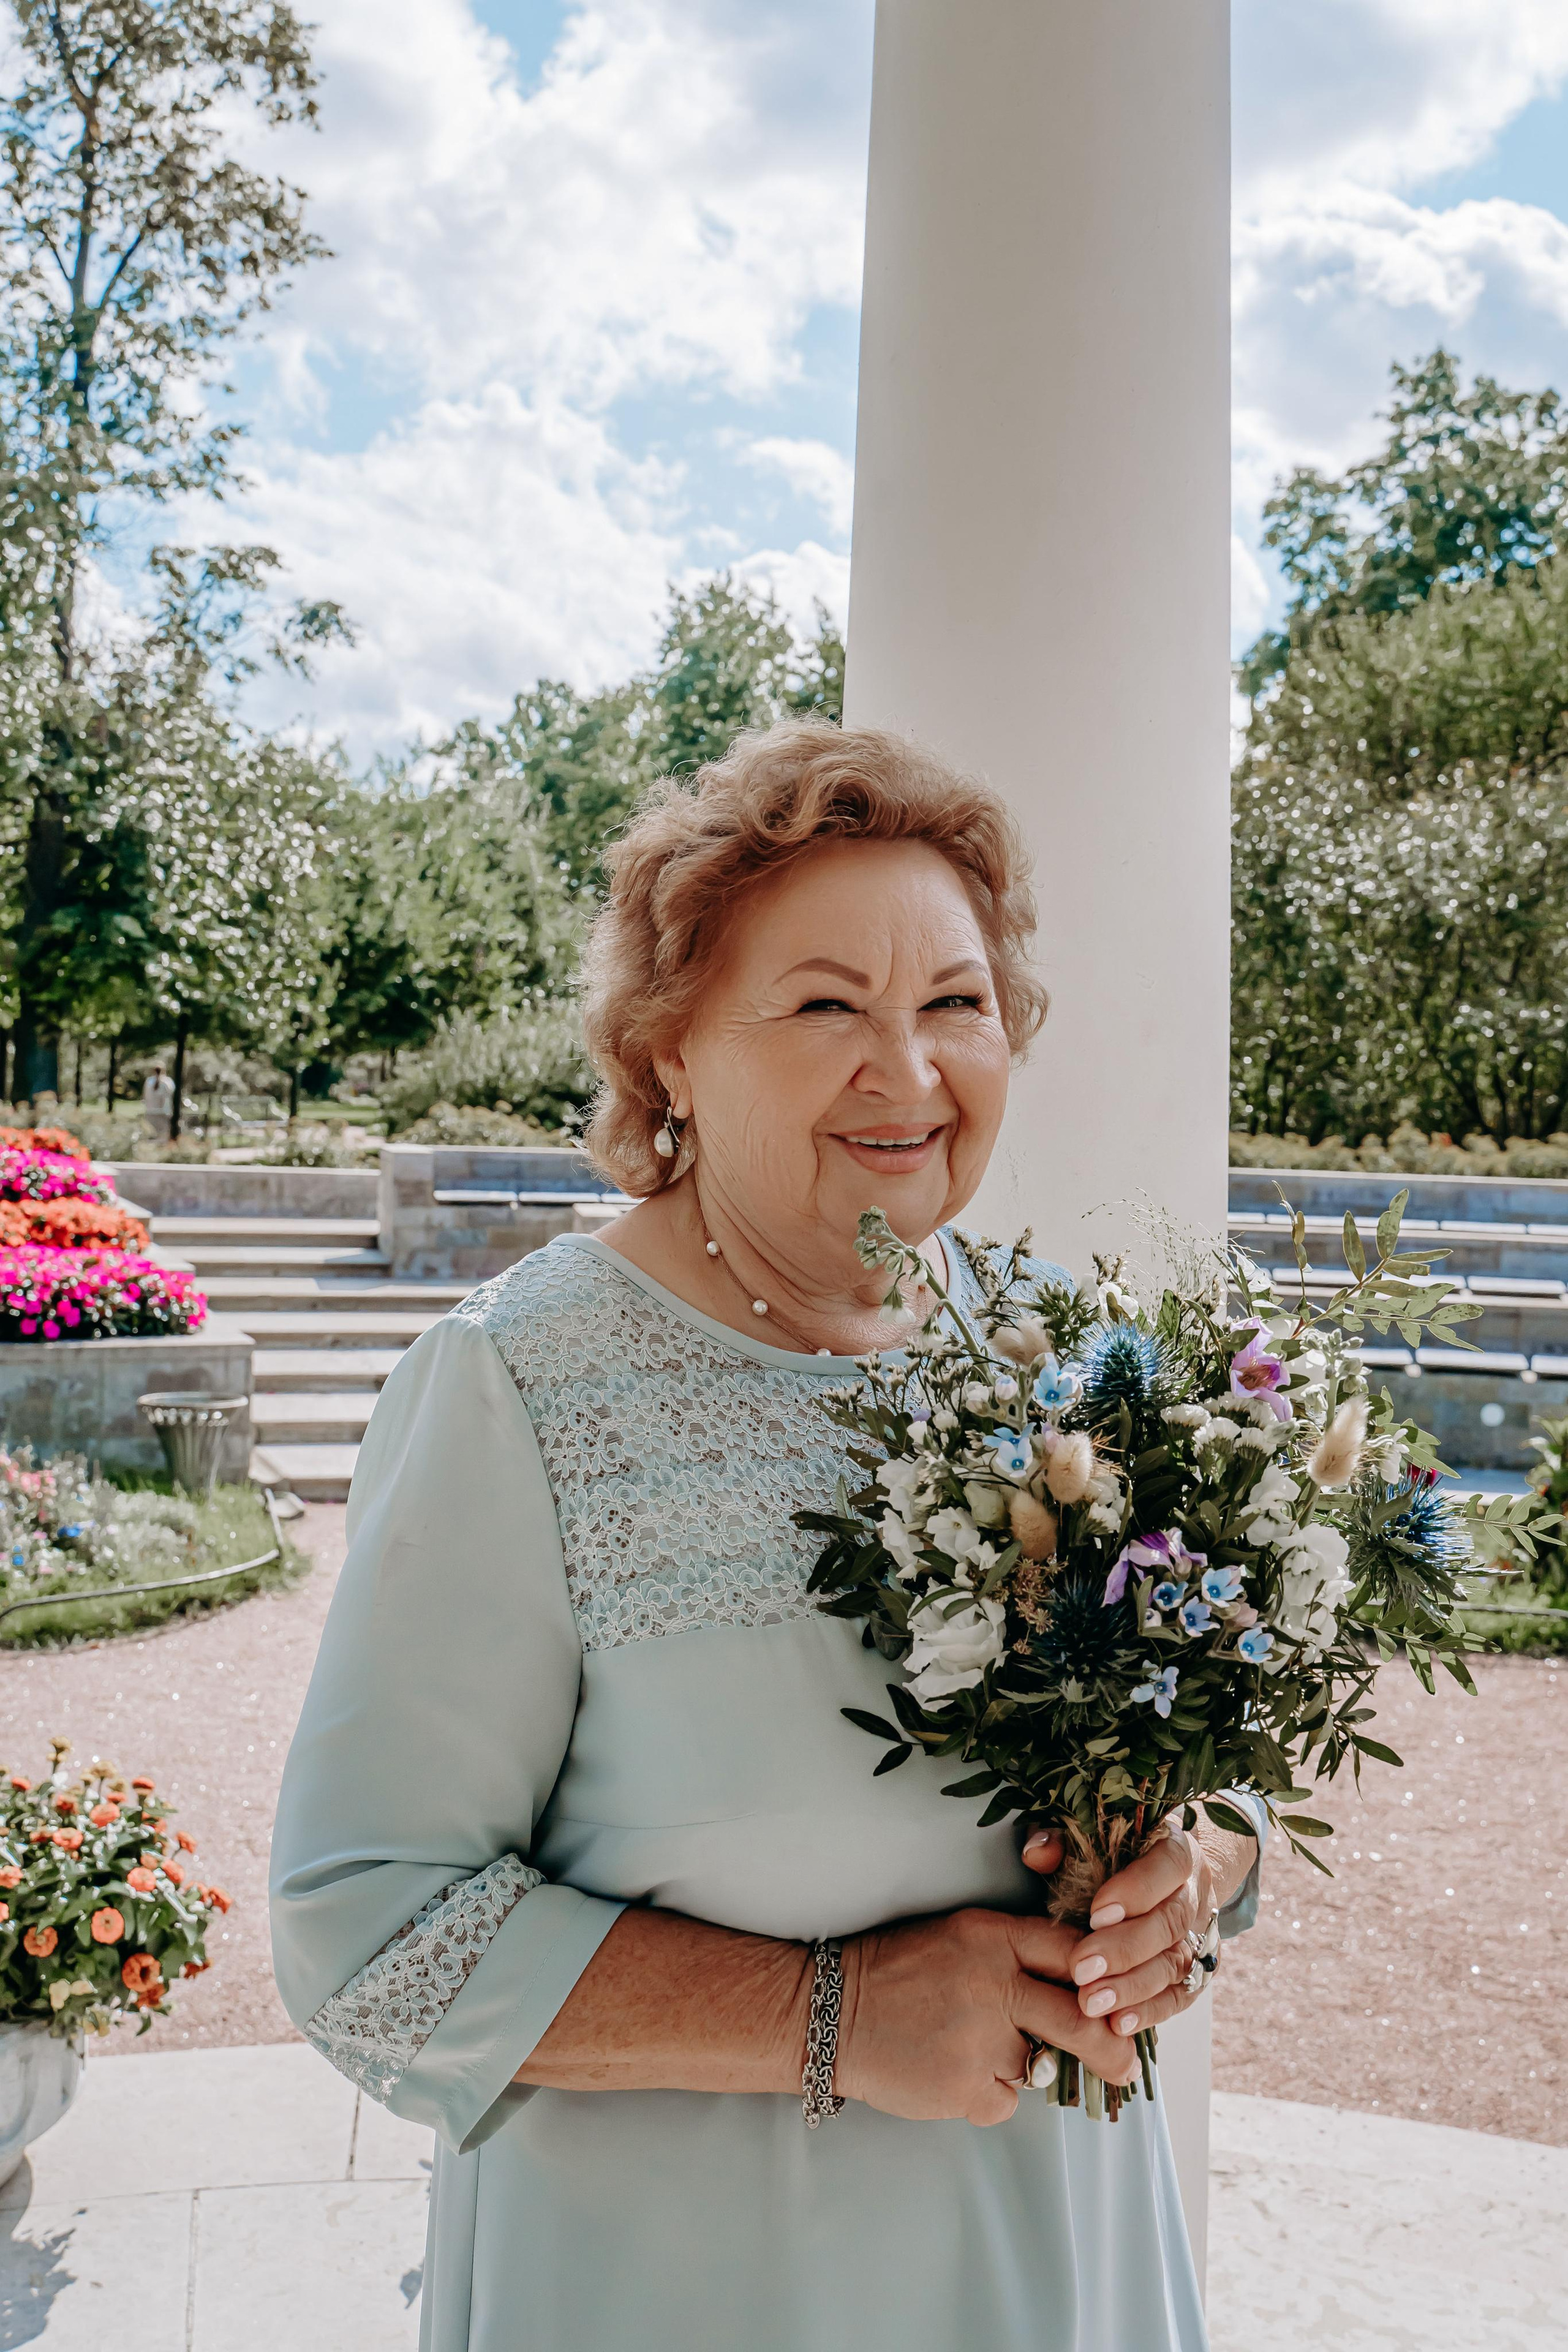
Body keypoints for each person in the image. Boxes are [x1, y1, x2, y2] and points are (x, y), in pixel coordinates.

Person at [271, 723, 1264, 2352]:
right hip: (689, 2291)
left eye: (957, 1003)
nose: (913, 1070)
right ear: (668, 1054)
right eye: (826, 1007)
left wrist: (1197, 1862)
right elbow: (366, 1937)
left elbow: (1208, 1748)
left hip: (1057, 2269)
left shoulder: (1045, 1353)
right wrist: (839, 2019)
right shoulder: (520, 1385)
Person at [141, 1063, 175, 1143]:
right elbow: (169, 1097)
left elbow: (145, 1096)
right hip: (163, 1112)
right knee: (163, 1136)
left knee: (151, 1136)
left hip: (150, 1111)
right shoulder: (168, 1082)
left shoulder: (149, 1081)